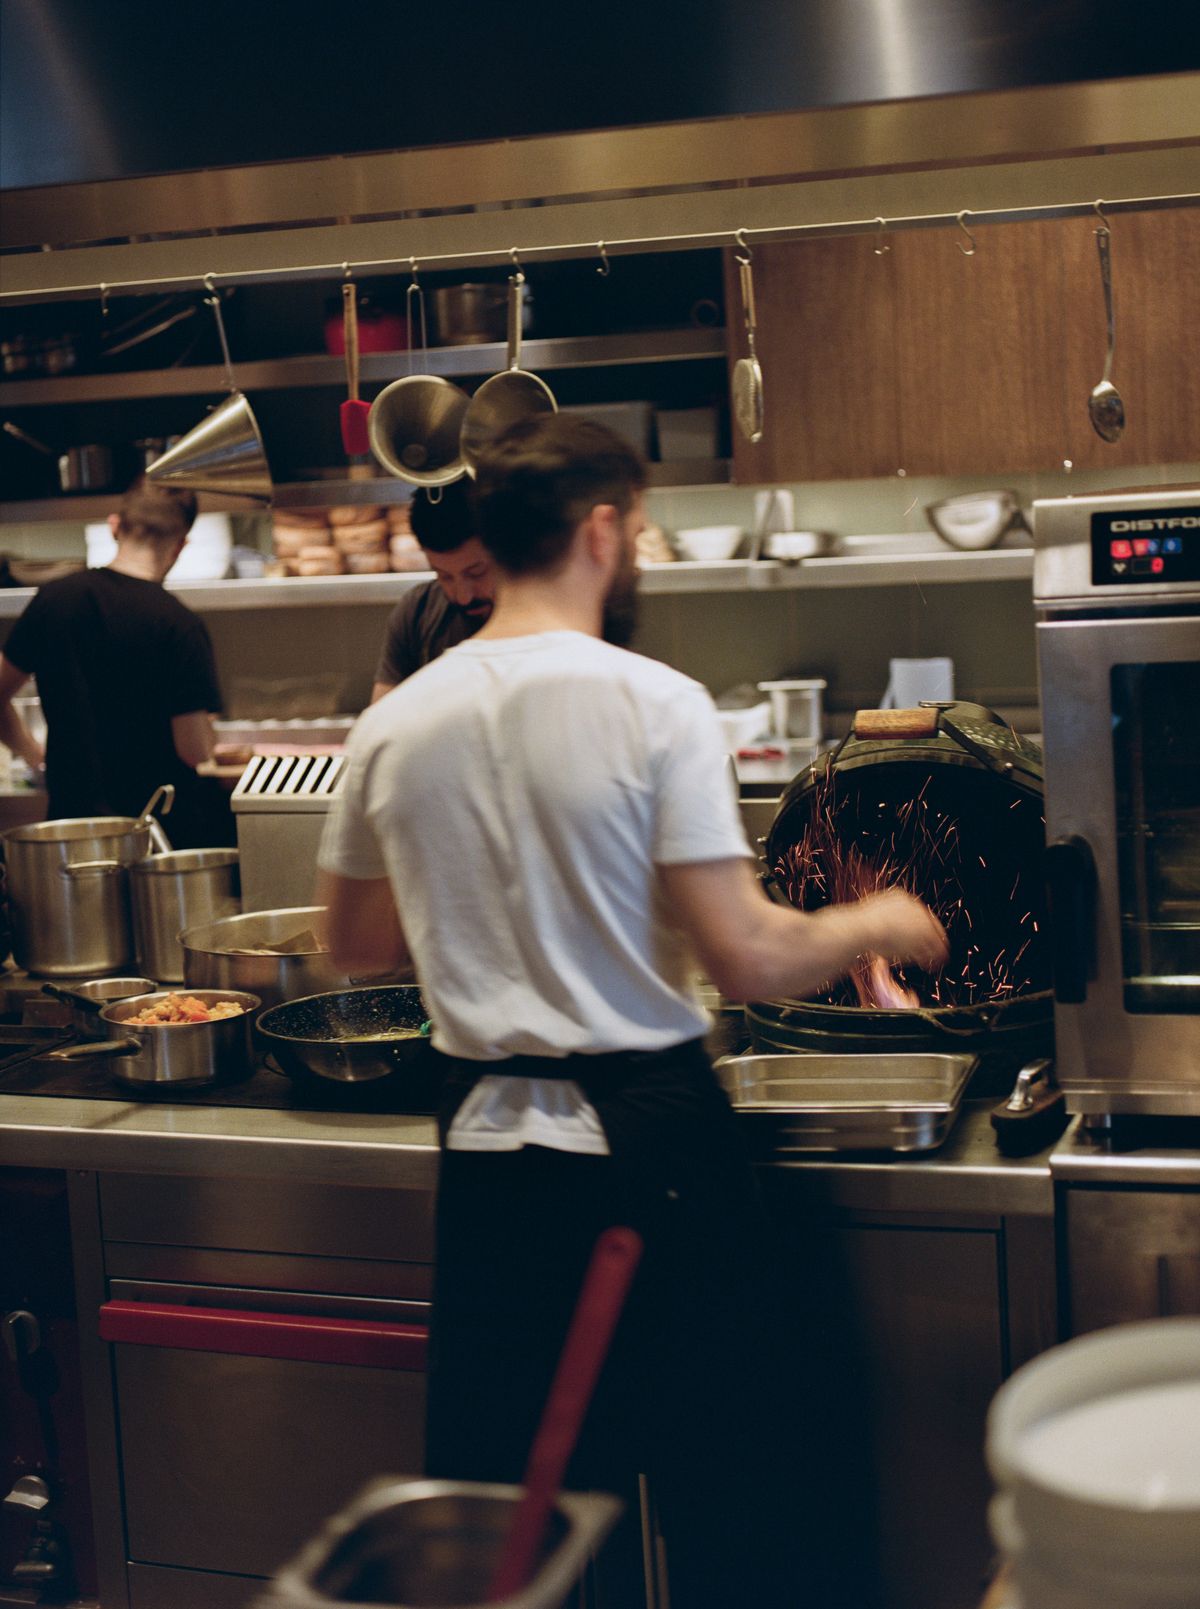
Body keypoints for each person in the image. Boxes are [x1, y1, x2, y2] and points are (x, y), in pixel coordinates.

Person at [316, 416, 948, 1606]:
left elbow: (351, 943)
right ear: (603, 531)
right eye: (640, 528)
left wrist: (486, 905)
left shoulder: (394, 722)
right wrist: (879, 922)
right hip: (646, 1144)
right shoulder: (654, 701)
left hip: (487, 1156)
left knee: (522, 1525)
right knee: (732, 1503)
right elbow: (752, 957)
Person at [0, 477, 234, 849]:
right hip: (155, 833)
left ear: (114, 527)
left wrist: (34, 757)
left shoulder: (54, 600)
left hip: (71, 830)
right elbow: (193, 749)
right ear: (180, 546)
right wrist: (209, 731)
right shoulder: (178, 624)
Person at [370, 481, 495, 702]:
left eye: (477, 573)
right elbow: (383, 711)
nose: (464, 597)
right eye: (444, 576)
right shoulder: (416, 610)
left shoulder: (549, 612)